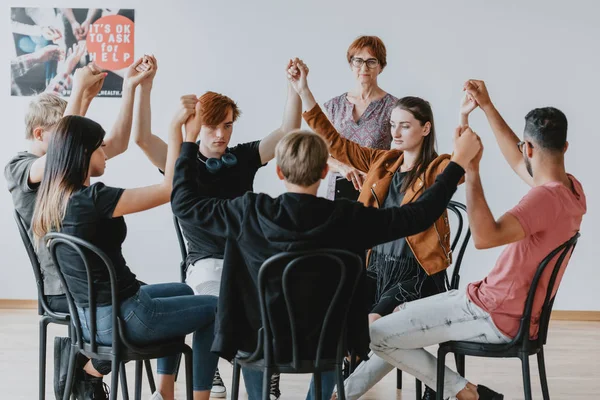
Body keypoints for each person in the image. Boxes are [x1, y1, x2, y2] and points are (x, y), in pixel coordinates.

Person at [171, 87, 482, 400]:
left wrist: (187, 141)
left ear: (278, 171)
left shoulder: (249, 211)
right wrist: (458, 162)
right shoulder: (348, 218)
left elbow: (184, 204)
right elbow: (420, 214)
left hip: (260, 342)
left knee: (258, 325)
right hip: (327, 342)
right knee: (330, 329)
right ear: (324, 170)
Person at [339, 80, 586, 400]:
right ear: (564, 147)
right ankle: (340, 395)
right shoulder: (571, 190)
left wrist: (472, 170)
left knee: (375, 334)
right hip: (488, 300)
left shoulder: (542, 200)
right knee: (393, 325)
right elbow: (517, 159)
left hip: (495, 313)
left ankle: (463, 392)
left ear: (529, 148)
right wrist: (486, 105)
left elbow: (484, 237)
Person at [289, 59, 477, 399]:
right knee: (335, 323)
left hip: (417, 276)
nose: (395, 132)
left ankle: (338, 394)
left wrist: (463, 117)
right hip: (374, 270)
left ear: (425, 129)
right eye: (393, 125)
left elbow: (460, 168)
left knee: (372, 325)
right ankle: (325, 395)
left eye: (405, 126)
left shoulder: (437, 168)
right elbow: (334, 141)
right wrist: (304, 91)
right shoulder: (382, 161)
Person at [132, 55, 302, 399]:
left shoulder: (240, 158)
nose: (221, 134)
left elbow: (287, 132)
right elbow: (141, 138)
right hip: (205, 266)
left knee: (262, 307)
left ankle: (258, 382)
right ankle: (207, 380)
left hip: (247, 264)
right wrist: (145, 87)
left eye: (227, 125)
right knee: (214, 303)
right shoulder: (182, 164)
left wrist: (294, 86)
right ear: (196, 125)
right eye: (213, 127)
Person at [31, 95, 219, 400]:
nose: (106, 152)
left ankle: (162, 393)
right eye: (101, 146)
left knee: (184, 291)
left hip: (89, 321)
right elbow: (170, 189)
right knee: (215, 307)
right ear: (84, 152)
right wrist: (179, 133)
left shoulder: (53, 200)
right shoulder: (93, 199)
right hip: (125, 318)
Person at [5, 58, 150, 399]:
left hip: (90, 282)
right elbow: (61, 153)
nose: (72, 145)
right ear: (41, 134)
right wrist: (79, 91)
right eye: (63, 134)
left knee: (149, 302)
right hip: (65, 288)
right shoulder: (18, 167)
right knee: (138, 314)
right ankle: (80, 376)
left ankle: (79, 373)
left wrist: (128, 89)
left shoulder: (66, 164)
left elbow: (117, 141)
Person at [323, 35, 399, 200]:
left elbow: (403, 154)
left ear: (381, 67)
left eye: (371, 61)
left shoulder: (394, 107)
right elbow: (318, 153)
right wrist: (342, 167)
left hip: (375, 190)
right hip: (336, 193)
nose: (364, 67)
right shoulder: (334, 106)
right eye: (358, 61)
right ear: (351, 64)